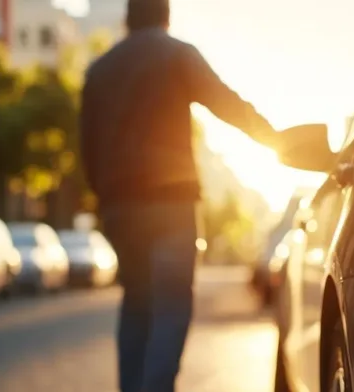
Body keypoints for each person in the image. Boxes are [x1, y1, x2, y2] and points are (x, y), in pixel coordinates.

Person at [78, 0, 280, 391]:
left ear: (127, 18)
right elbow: (228, 104)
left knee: (136, 302)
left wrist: (105, 197)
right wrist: (279, 144)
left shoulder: (99, 70)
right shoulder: (177, 54)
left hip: (120, 207)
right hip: (171, 202)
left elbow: (87, 146)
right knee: (171, 304)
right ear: (165, 15)